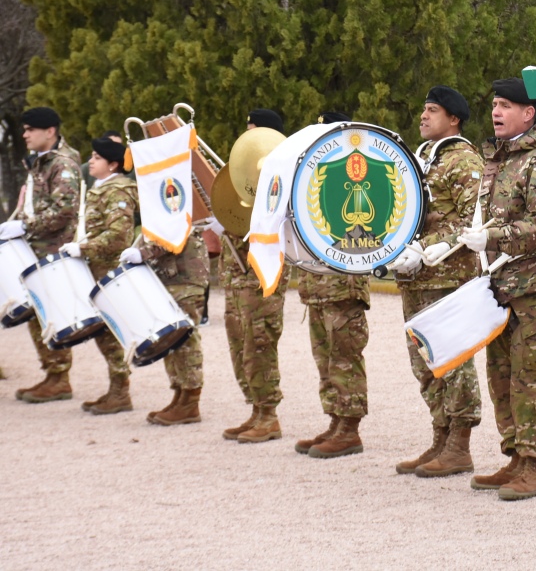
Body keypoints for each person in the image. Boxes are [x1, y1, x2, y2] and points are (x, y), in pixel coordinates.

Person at [456, 78, 536, 501]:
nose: (496, 112)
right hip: (499, 288)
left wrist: (494, 237)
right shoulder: (497, 159)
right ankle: (516, 457)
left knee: (531, 378)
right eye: (494, 104)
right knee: (501, 377)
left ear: (528, 113)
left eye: (505, 105)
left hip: (533, 290)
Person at [389, 87, 484, 477]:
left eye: (433, 110)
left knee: (452, 359)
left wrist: (424, 246)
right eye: (423, 109)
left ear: (454, 119)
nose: (424, 116)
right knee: (424, 362)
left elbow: (470, 220)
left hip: (448, 278)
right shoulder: (419, 158)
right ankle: (440, 438)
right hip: (416, 278)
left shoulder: (464, 161)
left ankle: (460, 446)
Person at [206, 108, 290, 443]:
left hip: (258, 276)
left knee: (259, 343)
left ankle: (269, 414)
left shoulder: (278, 179)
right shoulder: (243, 178)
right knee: (239, 344)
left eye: (253, 130)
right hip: (236, 278)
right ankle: (256, 408)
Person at [293, 110, 374, 460]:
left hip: (343, 284)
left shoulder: (352, 174)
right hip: (317, 284)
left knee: (344, 356)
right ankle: (335, 420)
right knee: (324, 357)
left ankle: (350, 429)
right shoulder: (316, 175)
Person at [0, 107, 82, 403]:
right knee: (37, 313)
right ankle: (53, 373)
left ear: (50, 131)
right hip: (36, 248)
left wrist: (25, 225)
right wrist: (17, 221)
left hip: (51, 250)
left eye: (29, 129)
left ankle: (59, 376)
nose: (24, 134)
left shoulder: (62, 163)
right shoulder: (41, 162)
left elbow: (64, 210)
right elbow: (35, 203)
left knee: (48, 312)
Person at [61, 136, 139, 415]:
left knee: (107, 332)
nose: (90, 161)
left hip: (107, 271)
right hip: (94, 268)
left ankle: (121, 393)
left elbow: (119, 236)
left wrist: (82, 247)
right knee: (102, 333)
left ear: (113, 164)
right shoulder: (100, 188)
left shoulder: (117, 190)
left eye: (97, 157)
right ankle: (116, 390)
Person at [121, 233, 209, 426]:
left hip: (185, 275)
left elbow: (177, 229)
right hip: (168, 275)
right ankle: (180, 395)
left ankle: (190, 401)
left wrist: (144, 252)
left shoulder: (178, 201)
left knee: (185, 338)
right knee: (170, 337)